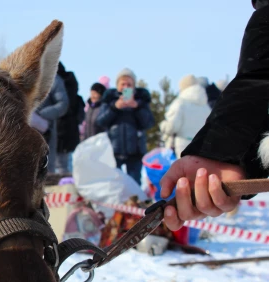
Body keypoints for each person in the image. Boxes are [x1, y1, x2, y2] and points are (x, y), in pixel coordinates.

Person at [161, 0, 269, 231]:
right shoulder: (203, 102)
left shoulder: (179, 103)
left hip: (185, 146)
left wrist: (221, 151)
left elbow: (261, 74)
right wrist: (223, 153)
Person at [97, 68, 155, 185]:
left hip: (135, 151)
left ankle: (134, 203)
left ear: (134, 86)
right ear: (117, 85)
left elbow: (149, 123)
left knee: (134, 184)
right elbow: (100, 121)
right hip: (114, 150)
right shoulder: (109, 100)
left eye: (129, 84)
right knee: (114, 184)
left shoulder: (141, 101)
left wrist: (137, 107)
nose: (126, 87)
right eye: (123, 84)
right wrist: (114, 107)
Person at [160, 75, 212, 157]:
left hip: (182, 146)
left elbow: (172, 127)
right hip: (202, 148)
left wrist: (163, 125)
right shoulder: (207, 107)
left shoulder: (180, 103)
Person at [30, 74, 69, 174]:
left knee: (45, 168)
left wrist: (42, 115)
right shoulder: (22, 74)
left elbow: (63, 103)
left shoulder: (54, 80)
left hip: (46, 129)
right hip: (23, 128)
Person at [55, 63, 84, 174]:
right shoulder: (72, 88)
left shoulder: (59, 85)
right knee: (65, 164)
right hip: (69, 134)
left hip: (61, 132)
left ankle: (63, 187)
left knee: (61, 166)